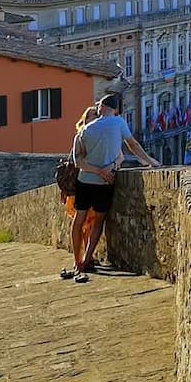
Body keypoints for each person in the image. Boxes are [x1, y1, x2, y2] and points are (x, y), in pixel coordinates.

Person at [61, 93, 160, 283]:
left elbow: (77, 160)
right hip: (105, 183)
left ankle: (76, 261)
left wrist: (96, 170)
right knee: (98, 221)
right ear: (114, 109)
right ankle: (88, 258)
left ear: (101, 108)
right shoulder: (119, 123)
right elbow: (132, 145)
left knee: (79, 218)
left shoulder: (84, 130)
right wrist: (150, 162)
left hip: (85, 181)